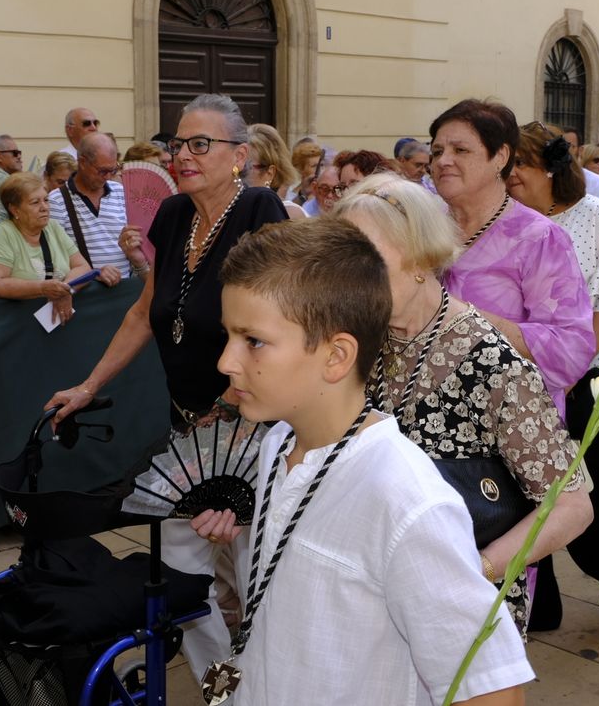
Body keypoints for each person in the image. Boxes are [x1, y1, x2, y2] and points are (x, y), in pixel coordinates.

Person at [189, 217, 533, 706]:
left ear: (336, 356)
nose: (226, 361)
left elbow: (492, 689)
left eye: (254, 341)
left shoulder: (405, 499)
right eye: (228, 336)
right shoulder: (278, 444)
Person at [45, 94, 288, 678]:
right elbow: (144, 312)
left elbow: (277, 328)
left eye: (201, 144)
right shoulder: (175, 214)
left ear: (239, 155)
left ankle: (274, 679)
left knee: (259, 572)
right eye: (179, 143)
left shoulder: (261, 211)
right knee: (180, 566)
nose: (183, 155)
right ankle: (220, 682)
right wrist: (88, 385)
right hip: (188, 427)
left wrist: (229, 417)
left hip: (250, 427)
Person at [338, 173, 593, 632]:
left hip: (459, 612)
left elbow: (571, 507)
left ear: (420, 256)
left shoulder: (490, 361)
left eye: (365, 256)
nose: (347, 274)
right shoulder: (362, 341)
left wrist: (477, 571)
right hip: (372, 594)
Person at [509, 123, 599, 625]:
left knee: (583, 498)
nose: (509, 173)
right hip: (525, 380)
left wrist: (563, 375)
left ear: (549, 168)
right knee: (526, 495)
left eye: (519, 163)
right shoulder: (505, 219)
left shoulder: (590, 215)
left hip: (594, 378)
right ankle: (539, 605)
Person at [429, 99, 596, 421]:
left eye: (460, 150)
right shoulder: (420, 228)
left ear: (500, 157)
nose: (443, 161)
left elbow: (569, 350)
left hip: (504, 424)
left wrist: (460, 315)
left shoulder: (538, 238)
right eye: (437, 151)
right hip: (419, 421)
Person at [0, 172, 98, 323]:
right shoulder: (3, 233)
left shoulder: (53, 227)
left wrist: (64, 289)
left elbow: (83, 267)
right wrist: (42, 288)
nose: (44, 207)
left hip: (54, 322)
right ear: (15, 210)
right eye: (35, 202)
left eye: (46, 200)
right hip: (16, 324)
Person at [48, 133, 132, 278]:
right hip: (85, 289)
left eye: (113, 170)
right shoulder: (57, 200)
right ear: (82, 162)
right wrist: (94, 274)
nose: (108, 177)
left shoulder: (121, 192)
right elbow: (55, 257)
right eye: (102, 171)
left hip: (125, 286)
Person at [240, 123, 305, 219]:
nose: (237, 173)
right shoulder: (229, 210)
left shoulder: (290, 214)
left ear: (270, 173)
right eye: (235, 165)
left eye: (246, 167)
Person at [286, 139, 323, 207]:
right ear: (300, 169)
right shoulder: (290, 195)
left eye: (321, 165)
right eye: (314, 166)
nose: (320, 170)